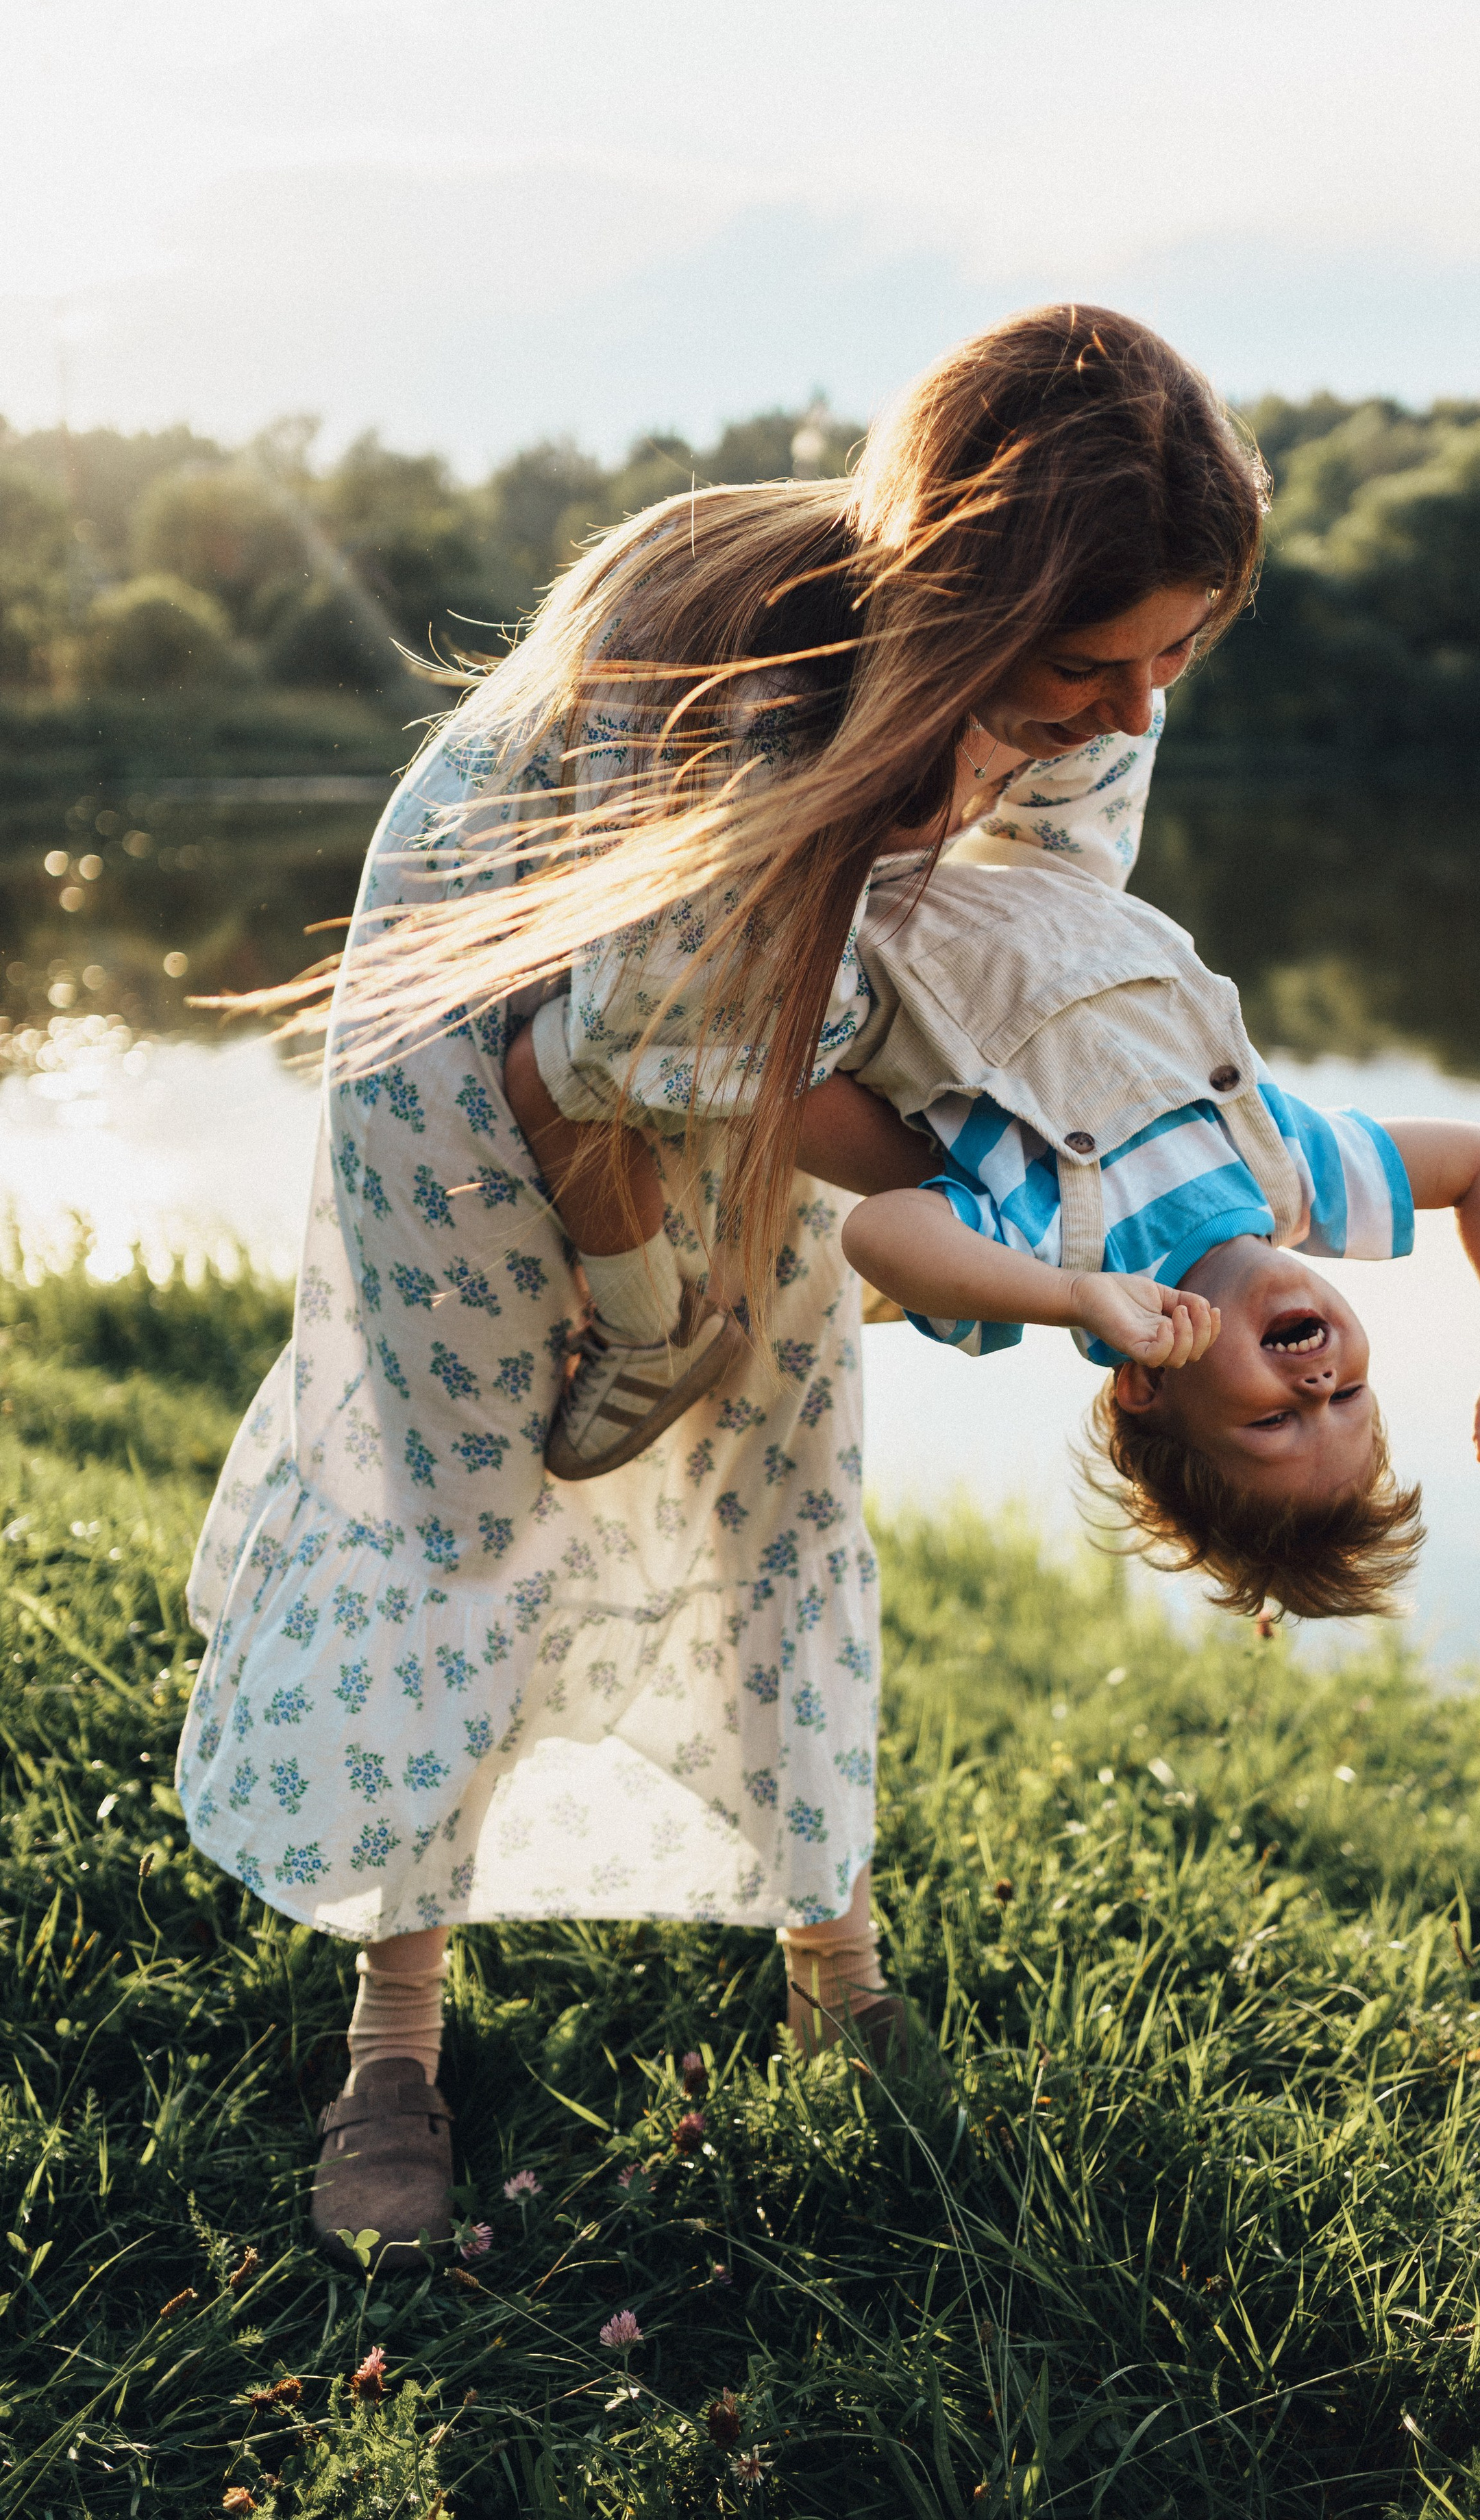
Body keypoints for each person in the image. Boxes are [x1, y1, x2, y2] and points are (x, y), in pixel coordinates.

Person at [173, 304, 1269, 2272]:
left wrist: (1123, 1233)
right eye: (1088, 663)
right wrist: (793, 1270)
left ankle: (836, 1971)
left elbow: (995, 993)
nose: (1131, 707)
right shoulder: (728, 669)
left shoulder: (1092, 702)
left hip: (762, 1036)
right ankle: (391, 2050)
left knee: (783, 1477)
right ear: (963, 597)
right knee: (469, 1508)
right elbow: (601, 1053)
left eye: (1174, 654)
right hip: (480, 1055)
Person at [826, 852, 1480, 1620]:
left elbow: (878, 1233)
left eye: (1274, 1422)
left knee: (759, 1051)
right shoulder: (1294, 1178)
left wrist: (1069, 1296)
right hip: (1033, 861)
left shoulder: (1066, 1256)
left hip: (858, 915)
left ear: (1149, 1386)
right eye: (1350, 1395)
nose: (1319, 1387)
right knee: (1104, 776)